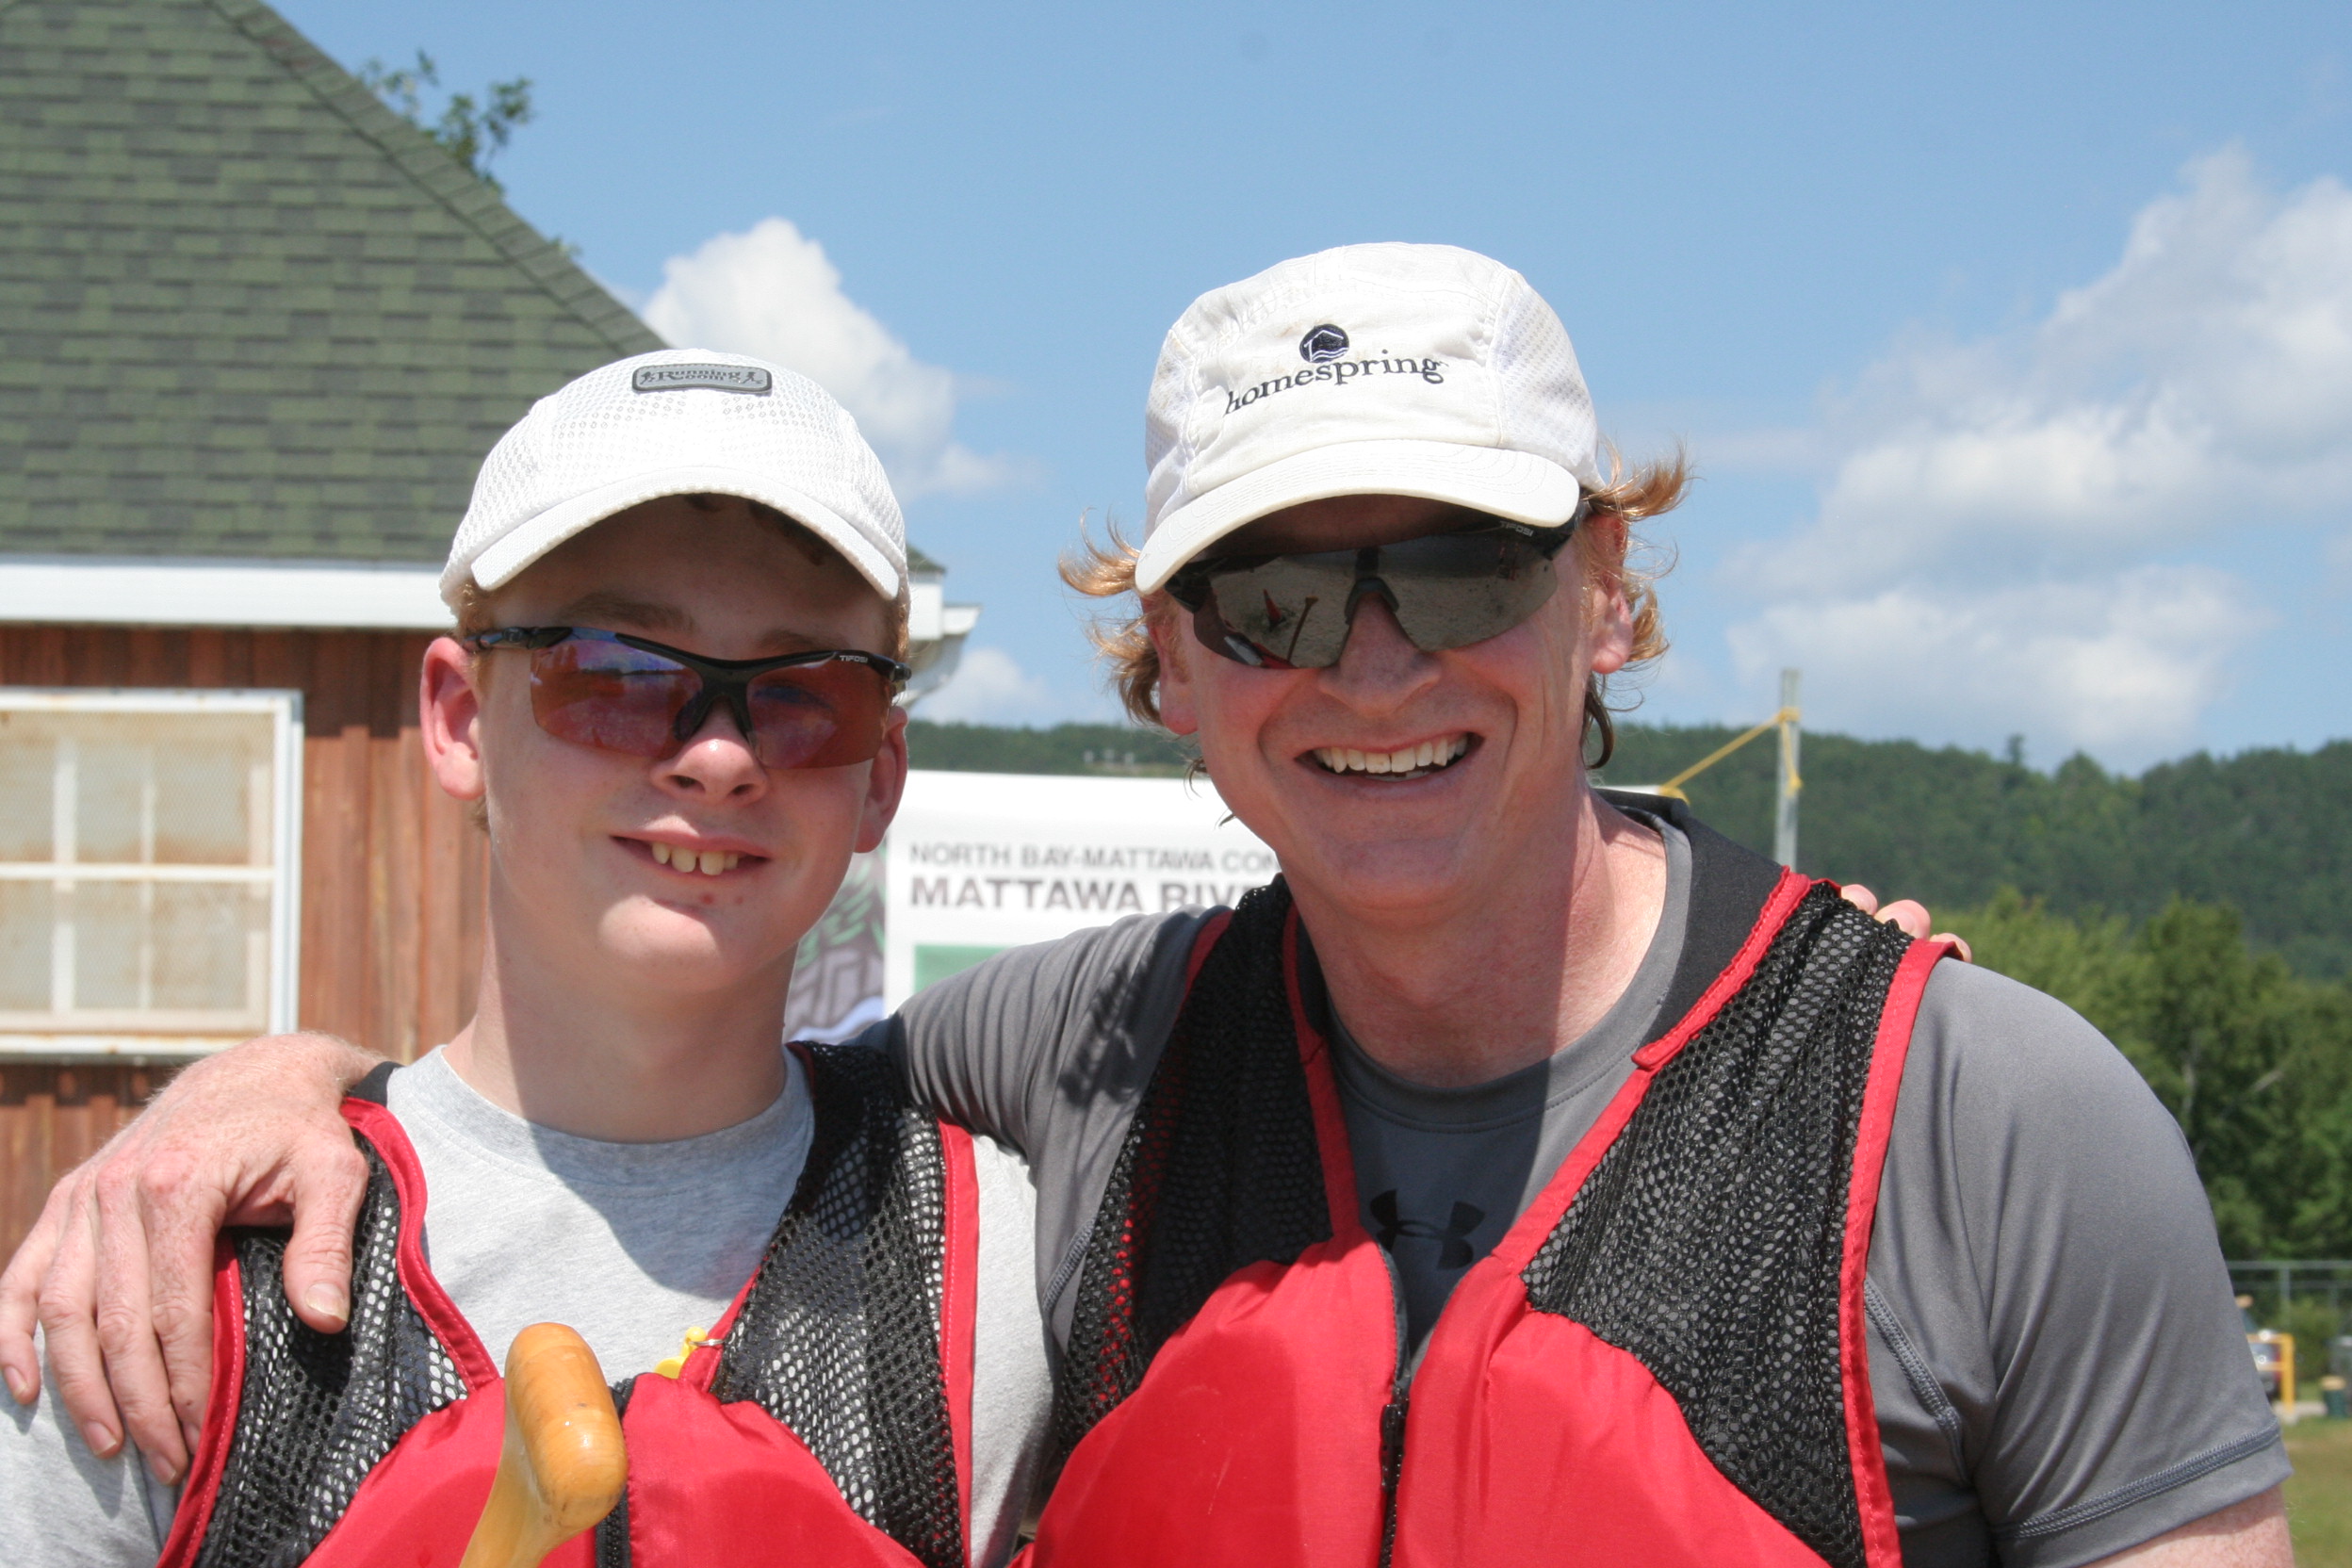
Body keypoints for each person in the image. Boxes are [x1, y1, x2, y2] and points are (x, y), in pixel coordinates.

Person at [4, 246, 2289, 1566]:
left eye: (1465, 563)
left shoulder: (1981, 1125)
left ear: (1608, 594)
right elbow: (649, 1077)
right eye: (1279, 591)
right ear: (1171, 667)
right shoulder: (1069, 1091)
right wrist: (266, 1082)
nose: (1374, 660)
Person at [0, 350, 1051, 1568]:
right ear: (457, 722)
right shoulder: (179, 1274)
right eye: (618, 672)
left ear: (880, 776)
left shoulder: (999, 1280)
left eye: (806, 686)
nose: (716, 756)